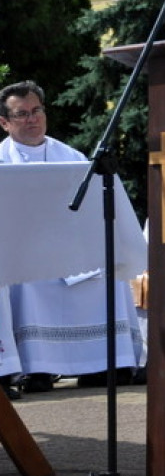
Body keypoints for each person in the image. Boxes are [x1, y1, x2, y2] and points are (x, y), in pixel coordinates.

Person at [0, 80, 144, 394]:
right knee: (24, 282)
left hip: (70, 251)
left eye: (36, 110)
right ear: (4, 122)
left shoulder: (71, 156)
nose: (32, 119)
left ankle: (107, 362)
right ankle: (34, 367)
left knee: (109, 272)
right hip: (20, 255)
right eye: (22, 113)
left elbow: (91, 210)